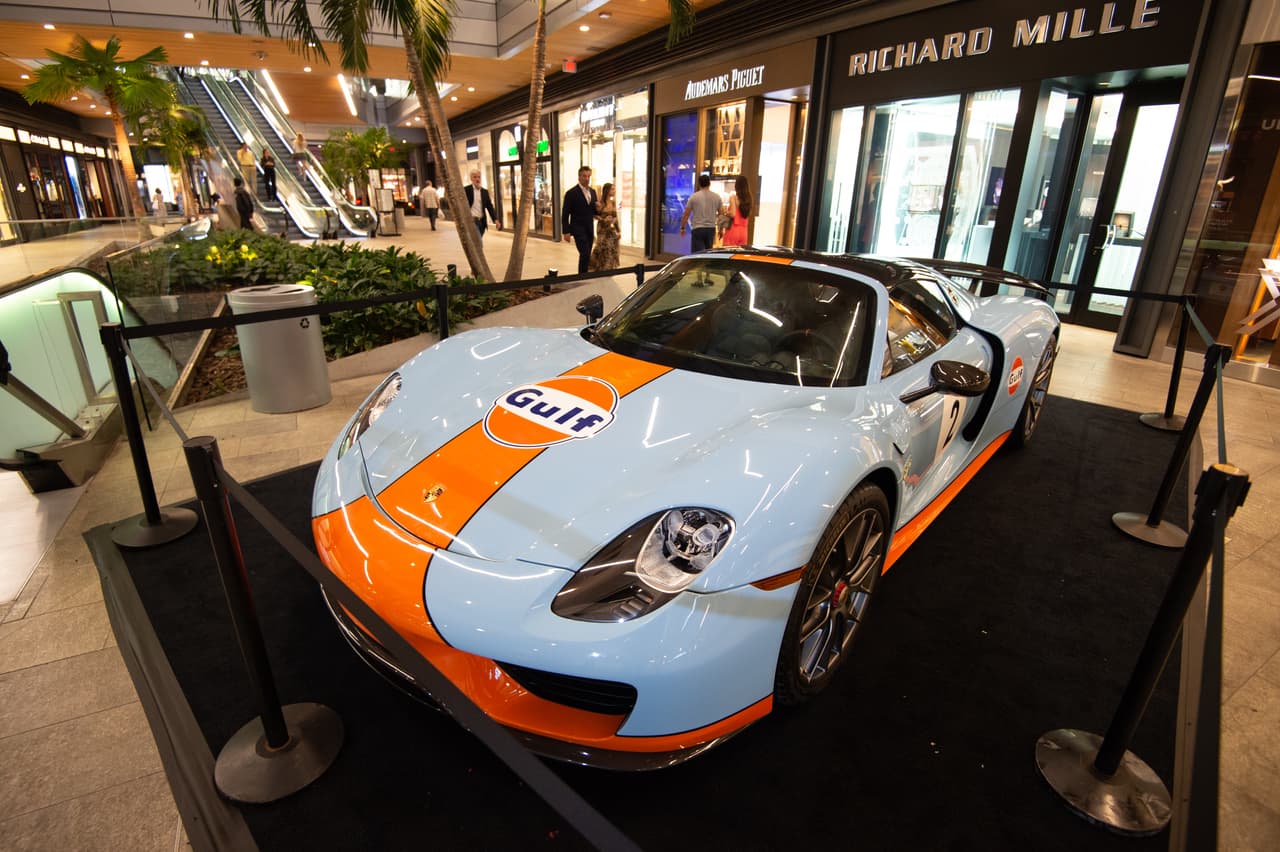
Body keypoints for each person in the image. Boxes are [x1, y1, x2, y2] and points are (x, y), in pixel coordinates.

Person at [562, 166, 597, 275]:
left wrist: (599, 211)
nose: (586, 178)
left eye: (588, 176)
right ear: (579, 177)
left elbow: (594, 210)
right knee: (585, 253)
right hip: (578, 229)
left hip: (589, 229)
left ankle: (584, 275)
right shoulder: (571, 193)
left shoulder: (593, 192)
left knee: (587, 254)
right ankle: (582, 277)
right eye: (584, 176)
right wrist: (566, 231)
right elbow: (565, 213)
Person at [679, 174, 722, 252]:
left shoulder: (694, 197)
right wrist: (721, 229)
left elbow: (686, 214)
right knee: (709, 253)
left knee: (697, 254)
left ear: (699, 184)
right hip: (710, 229)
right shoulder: (717, 197)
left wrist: (683, 227)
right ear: (709, 184)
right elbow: (721, 214)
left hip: (697, 229)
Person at [588, 182, 620, 272]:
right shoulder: (600, 203)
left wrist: (618, 230)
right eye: (612, 189)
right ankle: (595, 266)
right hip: (602, 229)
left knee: (611, 248)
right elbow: (595, 215)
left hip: (611, 229)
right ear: (607, 190)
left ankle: (607, 268)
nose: (614, 191)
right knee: (601, 247)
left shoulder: (613, 202)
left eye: (614, 189)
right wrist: (603, 219)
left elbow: (615, 217)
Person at [463, 170, 501, 238]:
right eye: (475, 177)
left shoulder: (484, 192)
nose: (477, 179)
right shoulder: (466, 190)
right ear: (471, 178)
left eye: (479, 177)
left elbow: (490, 207)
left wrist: (495, 219)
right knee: (478, 242)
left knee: (477, 242)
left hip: (482, 222)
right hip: (472, 221)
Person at [722, 175, 753, 247]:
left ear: (737, 186)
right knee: (739, 255)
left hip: (733, 230)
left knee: (728, 255)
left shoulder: (733, 197)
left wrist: (726, 212)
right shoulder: (749, 199)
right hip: (744, 232)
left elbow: (733, 214)